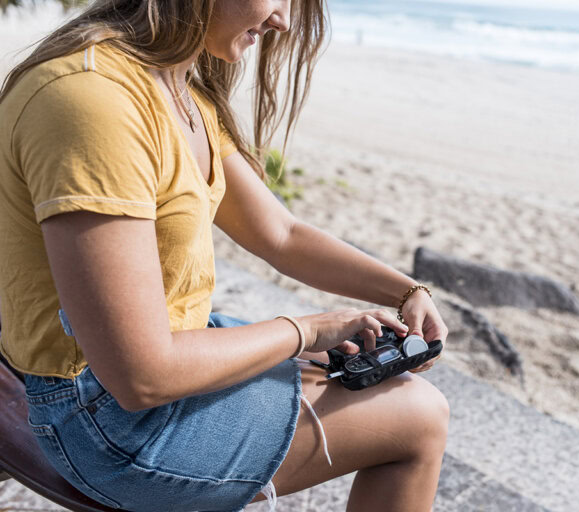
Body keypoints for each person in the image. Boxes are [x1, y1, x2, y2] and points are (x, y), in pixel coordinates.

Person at [0, 0, 449, 511]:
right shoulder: (93, 102)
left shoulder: (173, 87)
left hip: (138, 371)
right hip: (103, 424)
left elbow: (281, 233)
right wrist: (309, 328)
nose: (282, 20)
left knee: (352, 363)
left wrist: (406, 290)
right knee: (419, 415)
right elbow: (141, 374)